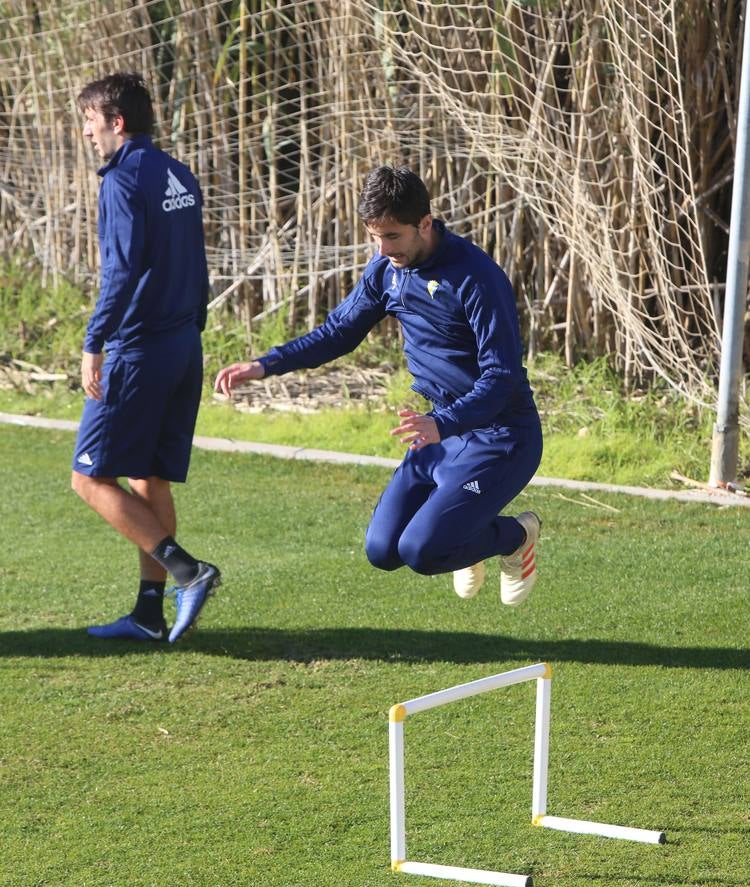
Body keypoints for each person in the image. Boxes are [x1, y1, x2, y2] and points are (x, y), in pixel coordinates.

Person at [215, 165, 542, 605]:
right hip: (438, 432)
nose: (384, 249)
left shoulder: (475, 278)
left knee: (422, 551)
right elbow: (337, 333)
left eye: (393, 237)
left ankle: (515, 536)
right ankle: (465, 528)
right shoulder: (386, 271)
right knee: (383, 551)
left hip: (499, 437)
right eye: (376, 238)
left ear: (424, 224)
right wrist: (265, 365)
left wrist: (442, 424)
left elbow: (502, 377)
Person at [71, 72, 220, 644]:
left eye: (90, 120)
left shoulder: (123, 179)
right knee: (149, 479)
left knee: (88, 479)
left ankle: (189, 572)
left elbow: (121, 271)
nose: (86, 132)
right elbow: (196, 262)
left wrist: (95, 342)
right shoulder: (177, 173)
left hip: (140, 348)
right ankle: (149, 614)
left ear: (117, 122)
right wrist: (194, 329)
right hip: (183, 345)